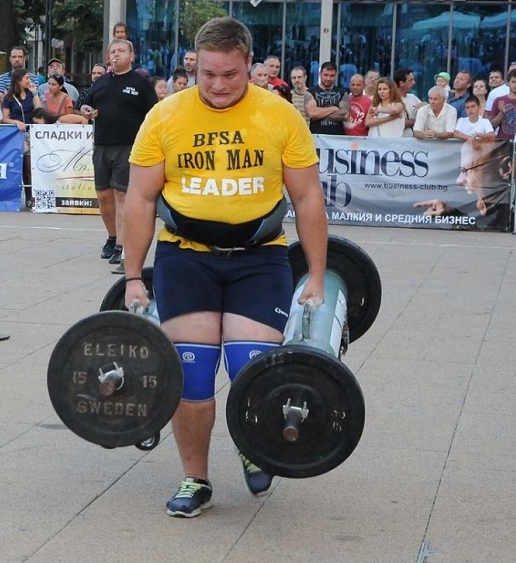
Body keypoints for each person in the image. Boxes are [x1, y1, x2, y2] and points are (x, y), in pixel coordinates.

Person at [123, 16, 327, 519]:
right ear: (196, 65)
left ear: (249, 66)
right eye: (207, 74)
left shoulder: (280, 116)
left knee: (250, 371)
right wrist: (131, 277)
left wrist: (318, 275)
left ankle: (251, 444)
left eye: (230, 74)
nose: (217, 85)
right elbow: (140, 199)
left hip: (260, 259)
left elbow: (306, 198)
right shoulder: (165, 116)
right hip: (185, 258)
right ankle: (196, 479)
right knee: (191, 378)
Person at [79, 38, 157, 271]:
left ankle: (123, 247)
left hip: (128, 147)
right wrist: (86, 111)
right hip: (102, 145)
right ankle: (112, 238)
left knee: (122, 196)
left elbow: (153, 114)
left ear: (131, 56)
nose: (116, 55)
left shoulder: (141, 83)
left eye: (121, 51)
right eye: (112, 51)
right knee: (103, 196)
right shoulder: (101, 82)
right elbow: (83, 105)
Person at [414, 140, 513, 228]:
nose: (459, 180)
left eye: (466, 170)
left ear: (505, 168)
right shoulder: (499, 218)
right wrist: (452, 214)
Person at [2, 68, 43, 207]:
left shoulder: (31, 94)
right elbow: (5, 118)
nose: (29, 81)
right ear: (19, 81)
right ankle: (12, 197)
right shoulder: (9, 97)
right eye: (26, 78)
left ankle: (30, 197)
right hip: (16, 134)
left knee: (29, 167)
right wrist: (16, 122)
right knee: (15, 166)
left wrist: (35, 93)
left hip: (30, 133)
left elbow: (39, 111)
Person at [305, 61, 348, 135]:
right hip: (317, 138)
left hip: (337, 138)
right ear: (320, 74)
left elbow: (345, 115)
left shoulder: (342, 93)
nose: (328, 78)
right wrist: (333, 109)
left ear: (335, 76)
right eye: (326, 75)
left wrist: (320, 114)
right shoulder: (310, 92)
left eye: (332, 76)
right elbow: (312, 114)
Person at [393, 67, 423, 136]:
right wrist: (418, 121)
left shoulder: (413, 97)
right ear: (401, 83)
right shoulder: (392, 100)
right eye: (410, 80)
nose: (414, 83)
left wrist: (424, 105)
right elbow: (398, 123)